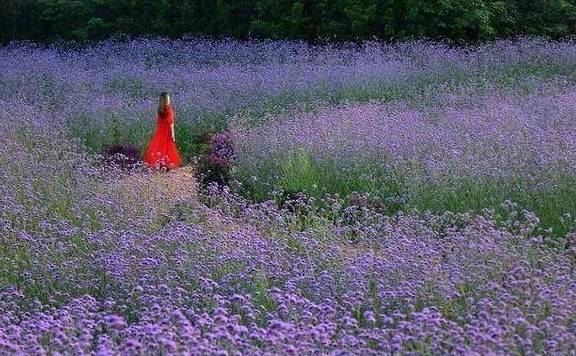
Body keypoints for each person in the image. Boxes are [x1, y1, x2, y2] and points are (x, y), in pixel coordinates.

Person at [144, 92, 183, 170]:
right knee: (168, 147)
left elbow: (158, 121)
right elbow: (170, 122)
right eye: (168, 98)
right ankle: (166, 164)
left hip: (160, 130)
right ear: (166, 99)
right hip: (167, 130)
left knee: (158, 146)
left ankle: (158, 163)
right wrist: (172, 133)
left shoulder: (159, 109)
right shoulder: (168, 108)